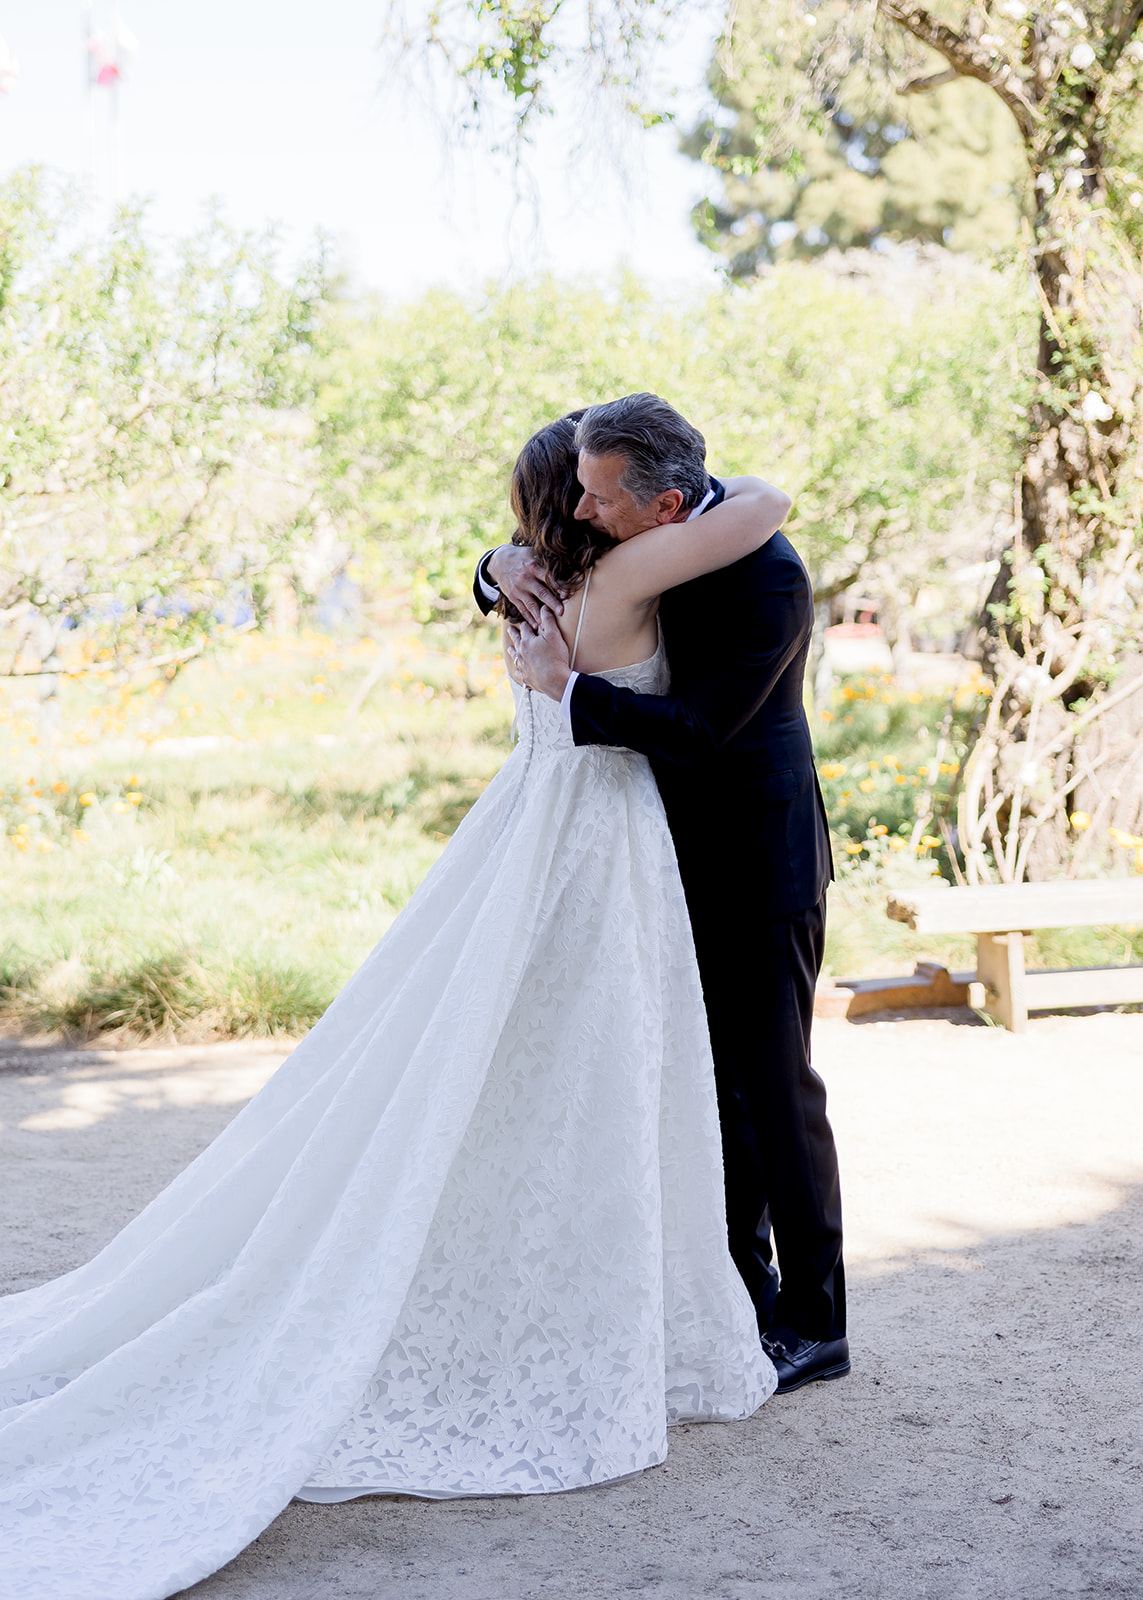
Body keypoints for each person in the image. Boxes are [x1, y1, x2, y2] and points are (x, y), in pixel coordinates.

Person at [0, 415, 790, 1600]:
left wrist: (494, 560)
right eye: (577, 492)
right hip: (599, 840)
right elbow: (765, 501)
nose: (586, 506)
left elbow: (560, 557)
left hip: (524, 822)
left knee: (498, 1060)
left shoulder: (531, 583)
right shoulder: (626, 567)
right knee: (602, 1067)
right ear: (568, 507)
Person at [482, 393, 848, 1395]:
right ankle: (738, 1295)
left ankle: (817, 1323)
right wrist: (496, 566)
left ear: (667, 502)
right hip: (660, 853)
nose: (587, 510)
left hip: (757, 859)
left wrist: (565, 690)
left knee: (775, 1092)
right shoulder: (638, 537)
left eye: (604, 498)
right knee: (708, 1088)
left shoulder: (767, 579)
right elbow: (541, 532)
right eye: (585, 497)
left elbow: (696, 730)